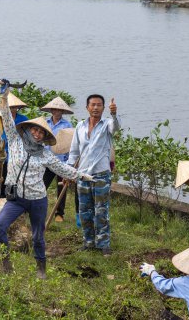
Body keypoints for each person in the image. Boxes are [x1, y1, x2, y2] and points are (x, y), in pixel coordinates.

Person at [0, 80, 92, 279]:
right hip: (16, 198)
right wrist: (4, 96)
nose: (37, 134)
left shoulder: (45, 154)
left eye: (41, 132)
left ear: (44, 136)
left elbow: (62, 168)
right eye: (35, 130)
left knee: (38, 235)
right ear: (28, 130)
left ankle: (41, 268)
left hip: (38, 199)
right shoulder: (14, 140)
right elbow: (6, 116)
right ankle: (5, 262)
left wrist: (83, 176)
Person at [67, 94, 120, 256]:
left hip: (101, 175)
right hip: (82, 175)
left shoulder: (107, 125)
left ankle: (104, 243)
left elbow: (116, 127)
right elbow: (74, 151)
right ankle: (88, 241)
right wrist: (69, 170)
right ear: (87, 107)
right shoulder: (80, 126)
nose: (96, 108)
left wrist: (114, 114)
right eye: (93, 105)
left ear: (103, 108)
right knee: (85, 210)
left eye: (99, 105)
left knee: (101, 210)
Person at [40, 97, 74, 223]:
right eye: (54, 109)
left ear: (62, 111)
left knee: (62, 188)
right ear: (51, 110)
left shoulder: (67, 125)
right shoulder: (45, 123)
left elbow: (70, 144)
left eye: (59, 110)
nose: (56, 111)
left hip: (61, 161)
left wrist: (68, 162)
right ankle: (38, 208)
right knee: (41, 186)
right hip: (46, 161)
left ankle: (59, 213)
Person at [0, 92, 29, 197]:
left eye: (15, 107)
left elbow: (28, 134)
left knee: (19, 177)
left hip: (19, 152)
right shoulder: (2, 118)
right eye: (11, 107)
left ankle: (18, 198)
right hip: (5, 150)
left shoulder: (23, 119)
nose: (13, 109)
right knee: (5, 176)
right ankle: (4, 198)